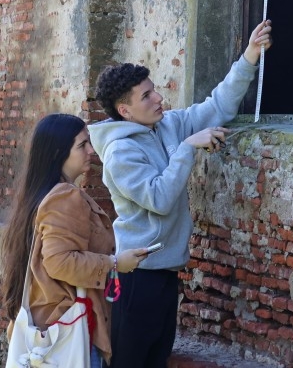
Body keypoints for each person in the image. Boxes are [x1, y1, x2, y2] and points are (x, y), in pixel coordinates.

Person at [89, 20, 273, 368]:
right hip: (137, 277)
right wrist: (188, 147)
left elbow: (217, 105)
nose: (158, 97)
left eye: (153, 89)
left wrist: (250, 55)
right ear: (125, 111)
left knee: (157, 361)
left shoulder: (168, 124)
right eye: (146, 96)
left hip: (167, 271)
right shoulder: (120, 153)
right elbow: (159, 199)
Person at [1, 113, 150, 367]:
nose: (91, 151)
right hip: (70, 331)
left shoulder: (39, 194)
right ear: (59, 152)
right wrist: (115, 264)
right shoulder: (64, 197)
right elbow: (59, 263)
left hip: (48, 325)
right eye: (82, 145)